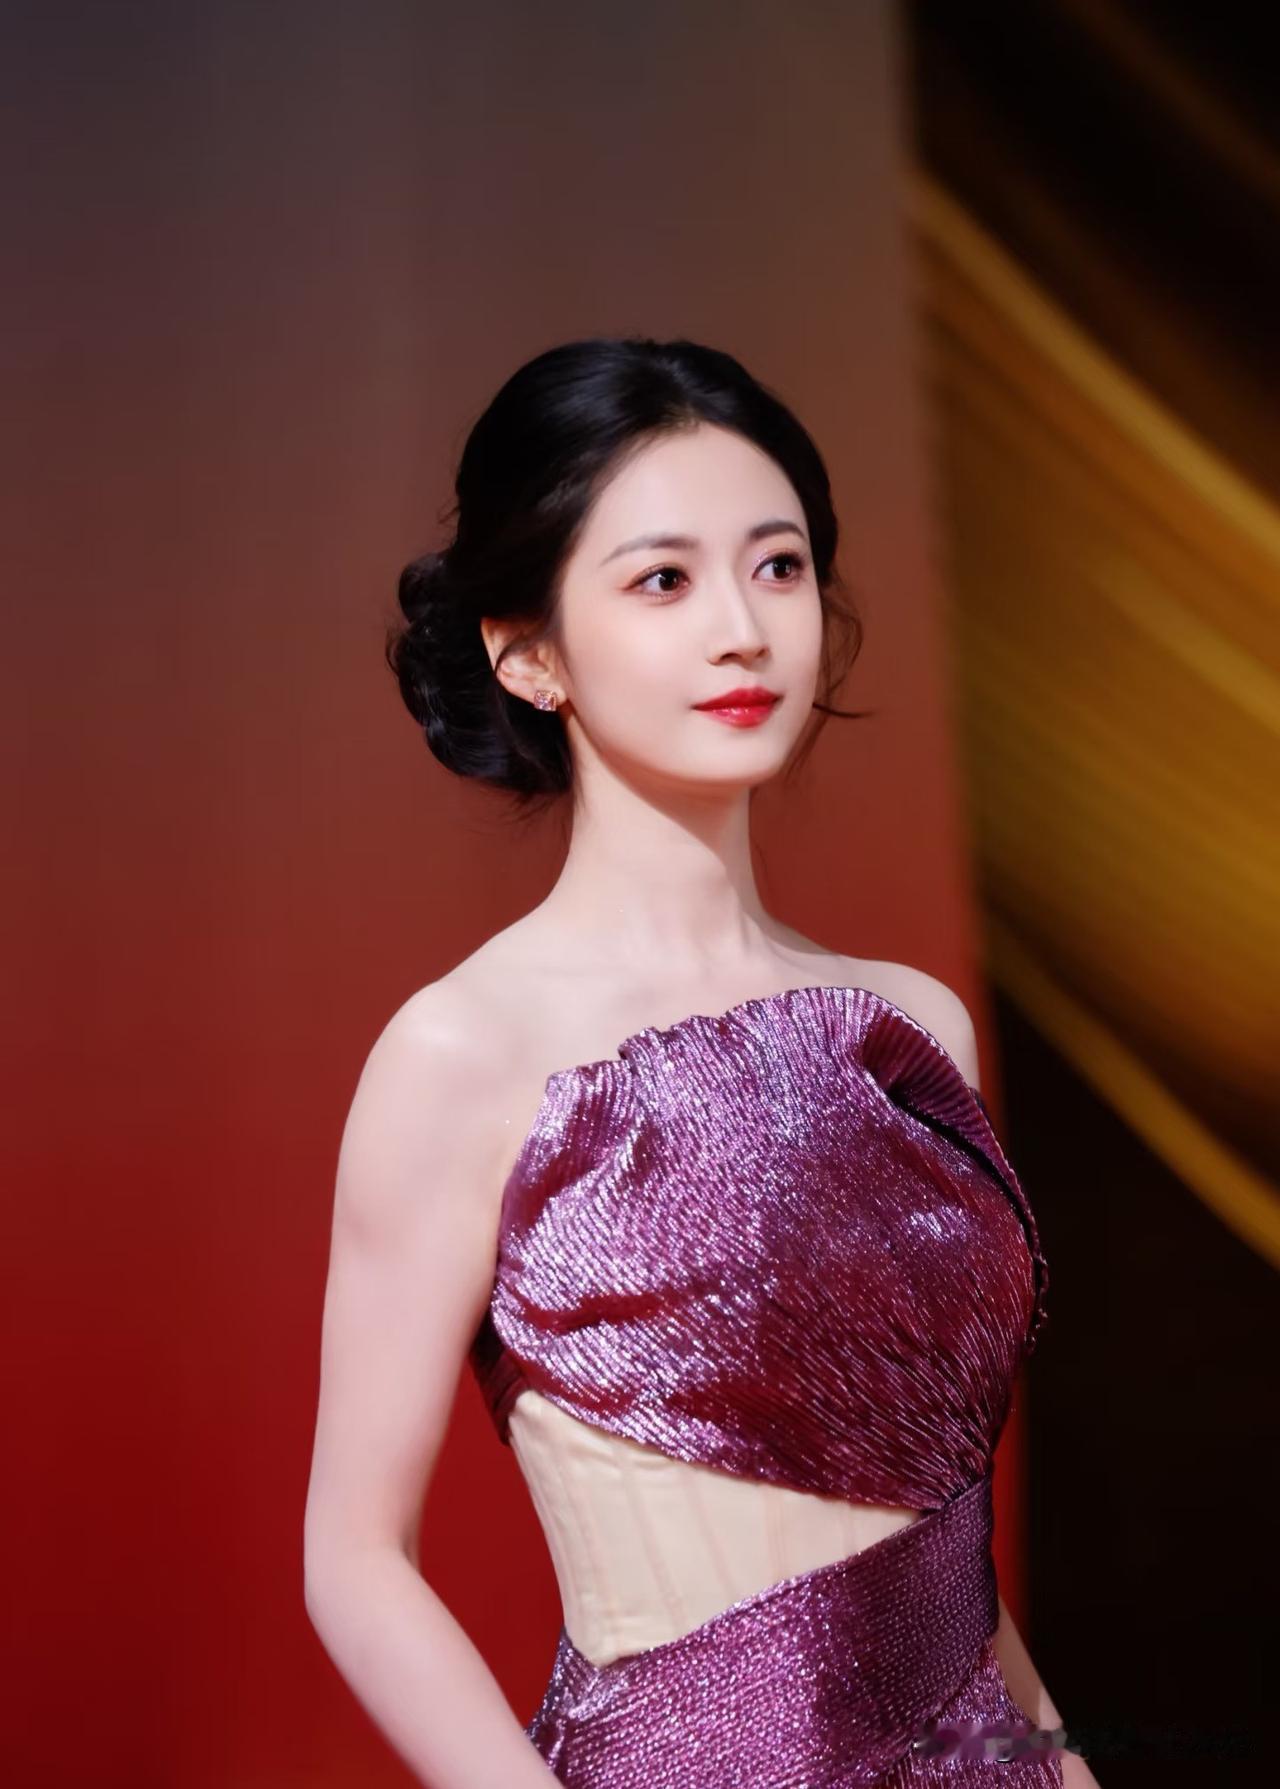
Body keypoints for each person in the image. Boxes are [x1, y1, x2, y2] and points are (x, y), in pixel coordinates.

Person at [303, 337, 1095, 1785]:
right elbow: (354, 1557)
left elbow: (942, 1552)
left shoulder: (912, 1029)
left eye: (778, 566)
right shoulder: (466, 1051)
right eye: (663, 580)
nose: (743, 628)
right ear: (526, 650)